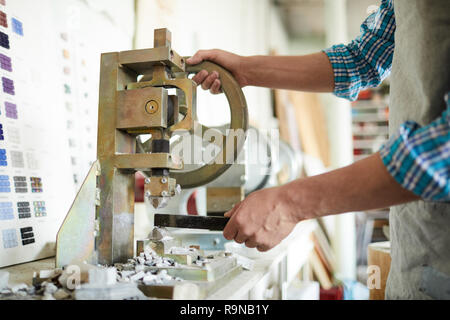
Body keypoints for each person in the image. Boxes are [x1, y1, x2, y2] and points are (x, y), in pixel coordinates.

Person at [187, 0, 449, 299]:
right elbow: (362, 59)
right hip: (415, 246)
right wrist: (245, 70)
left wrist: (289, 204)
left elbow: (444, 152)